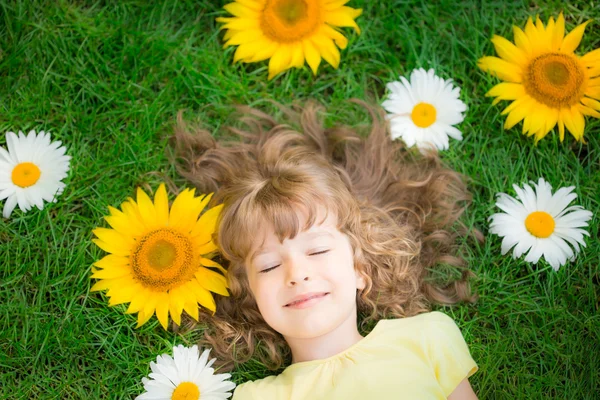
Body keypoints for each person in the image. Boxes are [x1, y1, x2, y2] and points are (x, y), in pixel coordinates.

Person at [171, 100, 480, 399]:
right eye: (268, 266)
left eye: (317, 251)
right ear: (252, 294)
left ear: (360, 268)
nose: (297, 274)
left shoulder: (425, 338)